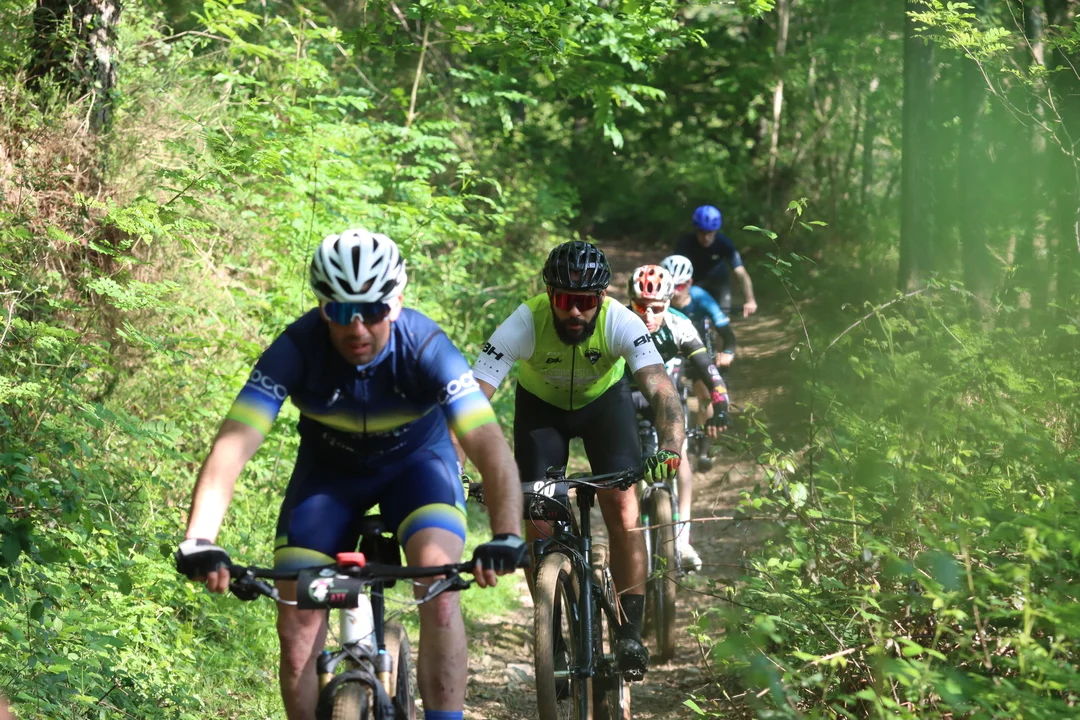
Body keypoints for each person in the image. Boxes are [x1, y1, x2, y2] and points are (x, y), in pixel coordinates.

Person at [175, 229, 525, 720]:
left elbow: (488, 445)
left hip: (417, 469)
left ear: (396, 304)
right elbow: (232, 447)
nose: (357, 328)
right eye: (340, 311)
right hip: (329, 479)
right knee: (297, 624)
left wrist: (506, 534)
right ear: (322, 307)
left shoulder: (426, 346)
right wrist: (200, 540)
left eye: (373, 310)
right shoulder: (296, 349)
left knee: (439, 589)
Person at [470, 241, 684, 679]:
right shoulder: (524, 322)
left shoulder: (621, 322)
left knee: (624, 510)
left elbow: (663, 392)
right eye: (565, 299)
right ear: (550, 294)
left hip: (605, 407)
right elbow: (470, 401)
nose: (574, 312)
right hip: (541, 412)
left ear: (601, 298)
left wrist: (671, 447)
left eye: (586, 302)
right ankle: (552, 637)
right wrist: (452, 463)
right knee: (539, 517)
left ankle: (629, 634)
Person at [626, 265, 729, 571]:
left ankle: (683, 538)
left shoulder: (680, 325)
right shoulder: (617, 322)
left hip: (664, 396)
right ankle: (630, 537)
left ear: (669, 303)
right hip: (624, 395)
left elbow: (709, 371)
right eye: (640, 307)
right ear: (630, 303)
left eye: (656, 308)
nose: (648, 316)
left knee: (679, 454)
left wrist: (720, 405)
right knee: (625, 463)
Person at [673, 205, 758, 317]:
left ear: (716, 231)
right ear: (696, 230)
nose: (706, 238)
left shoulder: (724, 243)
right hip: (694, 285)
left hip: (719, 284)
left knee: (723, 320)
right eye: (702, 232)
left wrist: (750, 300)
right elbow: (673, 271)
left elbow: (741, 273)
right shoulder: (685, 243)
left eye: (710, 233)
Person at [661, 254, 737, 369]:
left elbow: (726, 332)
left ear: (689, 283)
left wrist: (728, 352)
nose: (675, 292)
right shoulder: (659, 301)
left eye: (680, 286)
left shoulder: (701, 296)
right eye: (670, 286)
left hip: (700, 345)